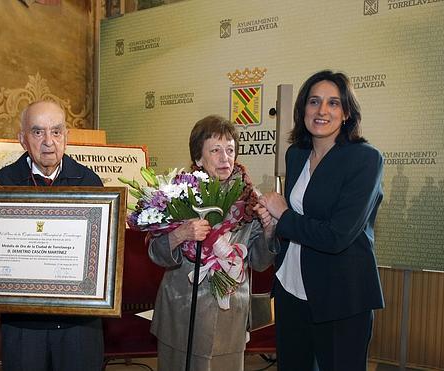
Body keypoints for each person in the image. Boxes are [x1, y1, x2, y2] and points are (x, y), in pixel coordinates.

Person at [258, 70, 384, 371]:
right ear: (303, 109)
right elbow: (296, 220)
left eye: (333, 103)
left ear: (347, 112)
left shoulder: (365, 159)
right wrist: (274, 226)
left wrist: (284, 215)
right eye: (314, 102)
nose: (322, 110)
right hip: (290, 291)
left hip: (341, 297)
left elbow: (337, 235)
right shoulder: (296, 154)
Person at [148, 115, 276, 371]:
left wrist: (270, 228)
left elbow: (260, 262)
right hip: (182, 311)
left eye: (230, 150)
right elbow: (155, 252)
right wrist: (179, 234)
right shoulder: (176, 195)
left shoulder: (251, 200)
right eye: (215, 150)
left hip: (230, 313)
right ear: (198, 158)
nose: (224, 157)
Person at [0, 100, 104, 371]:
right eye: (37, 132)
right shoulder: (3, 184)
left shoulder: (91, 184)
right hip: (22, 325)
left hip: (79, 324)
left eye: (56, 131)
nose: (48, 141)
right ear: (22, 139)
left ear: (67, 136)